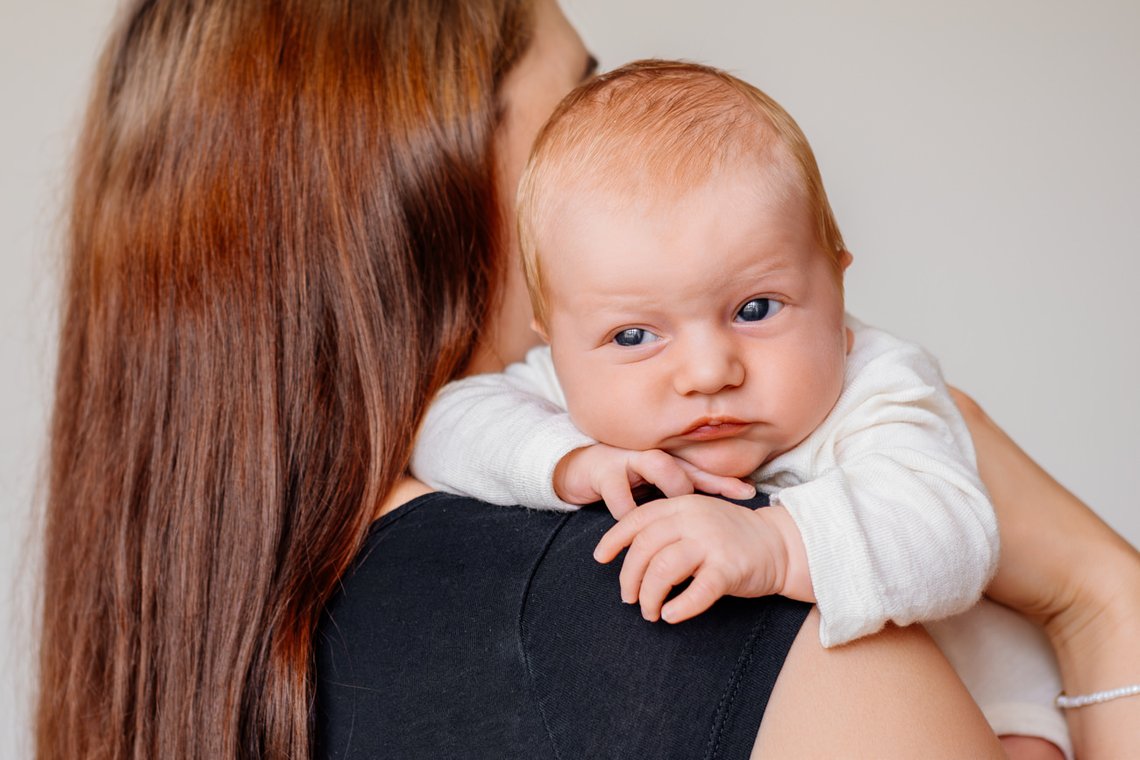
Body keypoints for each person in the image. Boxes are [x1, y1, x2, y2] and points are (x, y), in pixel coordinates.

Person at [35, 0, 1137, 758]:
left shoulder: (219, 638)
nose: (619, 154)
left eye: (752, 310)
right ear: (418, 192)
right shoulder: (689, 601)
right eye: (577, 104)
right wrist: (1098, 586)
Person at [410, 60, 1067, 754]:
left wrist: (776, 543)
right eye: (634, 335)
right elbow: (443, 427)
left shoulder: (877, 385)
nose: (707, 371)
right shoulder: (571, 396)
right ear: (558, 345)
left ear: (838, 287)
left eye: (755, 309)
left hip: (998, 718)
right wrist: (566, 461)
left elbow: (953, 534)